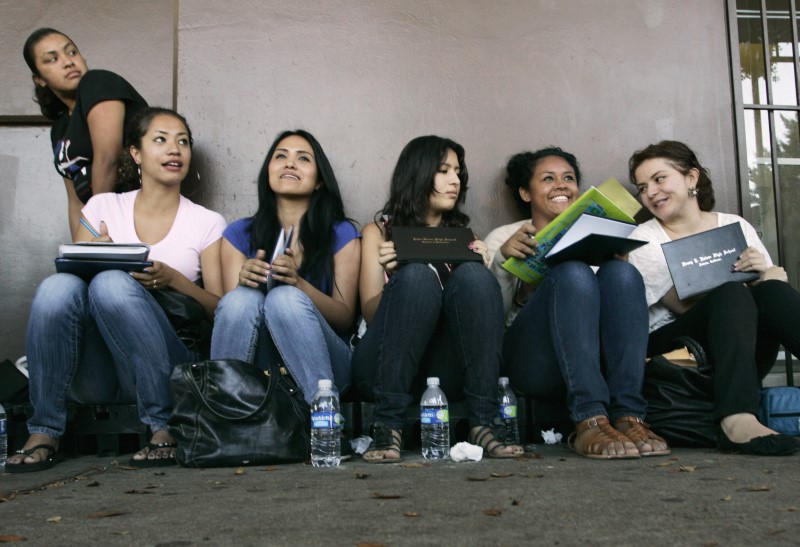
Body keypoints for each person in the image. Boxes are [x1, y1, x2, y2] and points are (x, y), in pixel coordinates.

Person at [7, 108, 226, 472]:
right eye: (161, 139)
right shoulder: (103, 207)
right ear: (136, 154)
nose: (175, 149)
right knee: (56, 287)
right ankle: (44, 430)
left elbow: (218, 308)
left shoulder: (206, 222)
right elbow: (71, 291)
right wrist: (96, 256)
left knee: (112, 282)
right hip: (98, 373)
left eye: (183, 141)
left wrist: (174, 279)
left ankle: (163, 425)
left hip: (166, 366)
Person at [485, 147, 669, 459]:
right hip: (532, 362)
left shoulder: (600, 235)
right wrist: (504, 262)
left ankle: (628, 416)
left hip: (594, 361)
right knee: (572, 272)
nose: (561, 185)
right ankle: (589, 419)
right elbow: (492, 323)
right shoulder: (505, 237)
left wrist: (618, 262)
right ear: (525, 192)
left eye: (568, 178)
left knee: (621, 273)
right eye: (547, 178)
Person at [352, 135, 524, 463]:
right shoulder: (379, 231)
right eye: (443, 170)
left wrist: (480, 270)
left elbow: (479, 324)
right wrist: (398, 280)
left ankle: (483, 422)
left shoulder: (465, 239)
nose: (455, 181)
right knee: (416, 276)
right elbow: (372, 315)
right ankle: (388, 424)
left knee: (476, 277)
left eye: (458, 172)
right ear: (417, 174)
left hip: (445, 370)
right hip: (382, 365)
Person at [627, 140, 800, 456]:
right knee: (734, 292)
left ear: (691, 178)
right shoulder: (644, 238)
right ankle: (737, 419)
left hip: (741, 346)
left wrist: (764, 272)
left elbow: (775, 282)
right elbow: (683, 304)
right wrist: (754, 281)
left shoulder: (734, 225)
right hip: (681, 352)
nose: (650, 192)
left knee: (772, 291)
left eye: (659, 178)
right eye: (642, 187)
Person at [209, 130, 360, 409]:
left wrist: (298, 285)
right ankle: (226, 419)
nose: (290, 164)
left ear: (318, 181)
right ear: (269, 172)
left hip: (326, 367)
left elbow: (345, 317)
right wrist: (244, 283)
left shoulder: (341, 233)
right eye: (281, 156)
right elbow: (231, 317)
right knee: (239, 299)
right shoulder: (238, 233)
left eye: (303, 159)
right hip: (260, 364)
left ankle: (324, 419)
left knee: (284, 298)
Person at [23, 28, 148, 239]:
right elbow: (75, 201)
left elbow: (108, 158)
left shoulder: (98, 82)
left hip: (134, 222)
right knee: (65, 275)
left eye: (71, 52)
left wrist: (96, 230)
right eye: (52, 59)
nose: (68, 61)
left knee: (109, 275)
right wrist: (79, 251)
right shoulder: (60, 128)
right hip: (99, 228)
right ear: (40, 79)